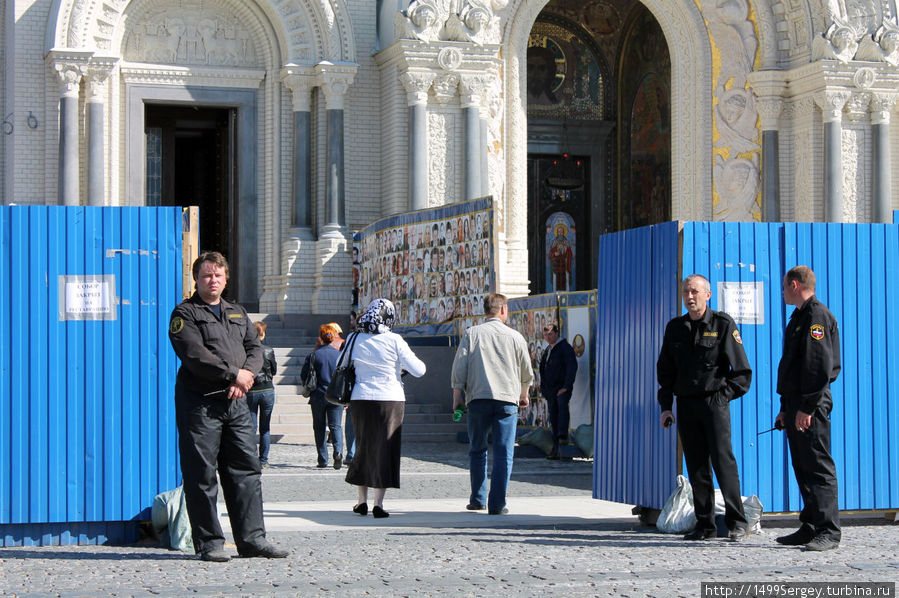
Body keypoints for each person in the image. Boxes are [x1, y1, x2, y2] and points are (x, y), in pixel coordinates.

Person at [167, 251, 288, 562]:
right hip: (201, 405)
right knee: (202, 475)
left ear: (226, 278)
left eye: (218, 275)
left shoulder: (237, 312)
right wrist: (233, 374)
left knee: (246, 471)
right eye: (207, 275)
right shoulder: (185, 314)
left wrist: (246, 375)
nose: (213, 280)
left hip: (236, 403)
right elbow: (195, 355)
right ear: (196, 278)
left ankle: (253, 540)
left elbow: (254, 347)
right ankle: (209, 543)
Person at [656, 274, 751, 542]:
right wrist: (666, 407)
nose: (689, 297)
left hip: (714, 404)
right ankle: (705, 524)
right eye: (686, 292)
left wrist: (723, 397)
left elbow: (743, 372)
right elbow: (665, 373)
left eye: (695, 292)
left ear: (708, 295)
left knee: (723, 463)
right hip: (686, 404)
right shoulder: (675, 328)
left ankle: (737, 522)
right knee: (696, 466)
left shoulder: (722, 325)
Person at [774, 266, 842, 552]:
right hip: (795, 404)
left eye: (783, 286)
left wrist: (807, 407)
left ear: (793, 284)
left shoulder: (816, 316)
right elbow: (792, 368)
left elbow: (819, 366)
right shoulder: (798, 317)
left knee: (817, 465)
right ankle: (811, 525)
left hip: (809, 405)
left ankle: (828, 530)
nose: (782, 292)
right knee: (802, 465)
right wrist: (784, 408)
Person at [451, 293, 534, 514]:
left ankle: (478, 498)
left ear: (486, 310)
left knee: (477, 449)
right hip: (507, 400)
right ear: (504, 310)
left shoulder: (472, 334)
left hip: (478, 399)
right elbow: (527, 372)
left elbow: (459, 368)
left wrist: (457, 397)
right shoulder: (516, 337)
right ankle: (498, 503)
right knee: (503, 451)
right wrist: (524, 394)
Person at [345, 299, 426, 518]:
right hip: (390, 398)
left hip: (361, 398)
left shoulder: (354, 338)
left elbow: (341, 366)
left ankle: (361, 501)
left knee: (363, 446)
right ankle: (378, 504)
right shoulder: (394, 340)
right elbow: (419, 370)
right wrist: (398, 367)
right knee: (385, 449)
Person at [301, 323, 345, 469]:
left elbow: (304, 375)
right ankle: (338, 452)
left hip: (318, 396)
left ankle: (322, 459)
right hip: (335, 395)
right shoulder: (339, 355)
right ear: (332, 338)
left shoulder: (313, 355)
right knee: (336, 426)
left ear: (320, 338)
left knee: (319, 427)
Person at [539, 322, 578, 460]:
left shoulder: (565, 348)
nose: (548, 337)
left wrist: (566, 386)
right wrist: (543, 387)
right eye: (545, 335)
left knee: (561, 409)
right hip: (550, 390)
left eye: (550, 334)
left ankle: (562, 437)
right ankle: (556, 449)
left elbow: (571, 367)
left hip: (561, 388)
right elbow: (542, 370)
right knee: (553, 417)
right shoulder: (548, 350)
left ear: (556, 333)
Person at [247, 321, 277, 468]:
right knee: (265, 427)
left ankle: (251, 459)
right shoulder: (269, 350)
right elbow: (274, 370)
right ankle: (263, 460)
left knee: (251, 427)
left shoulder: (246, 350)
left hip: (251, 390)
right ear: (263, 334)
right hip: (267, 390)